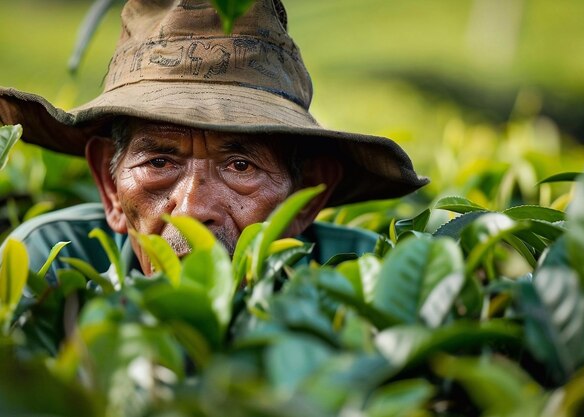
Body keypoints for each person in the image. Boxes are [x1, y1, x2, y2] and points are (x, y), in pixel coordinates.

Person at [0, 0, 428, 279]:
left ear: (308, 196)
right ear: (110, 187)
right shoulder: (46, 269)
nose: (191, 210)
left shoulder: (371, 278)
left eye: (240, 166)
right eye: (159, 163)